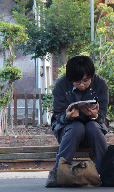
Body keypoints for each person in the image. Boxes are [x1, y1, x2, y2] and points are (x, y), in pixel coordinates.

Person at [46, 55, 109, 187]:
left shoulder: (100, 84)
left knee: (93, 126)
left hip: (93, 128)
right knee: (77, 127)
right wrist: (67, 117)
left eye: (85, 81)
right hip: (68, 129)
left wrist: (95, 115)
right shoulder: (61, 85)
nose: (81, 85)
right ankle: (57, 172)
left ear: (91, 76)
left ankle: (107, 171)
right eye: (77, 81)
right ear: (70, 79)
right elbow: (58, 115)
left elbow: (102, 116)